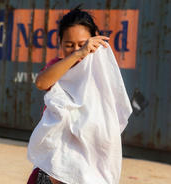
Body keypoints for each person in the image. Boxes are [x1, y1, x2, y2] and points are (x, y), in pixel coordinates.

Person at [27, 6, 131, 184]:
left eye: (82, 44)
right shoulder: (59, 66)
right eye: (69, 45)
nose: (76, 49)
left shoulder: (102, 73)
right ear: (60, 43)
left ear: (94, 40)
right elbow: (41, 83)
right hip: (55, 162)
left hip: (88, 164)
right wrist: (78, 53)